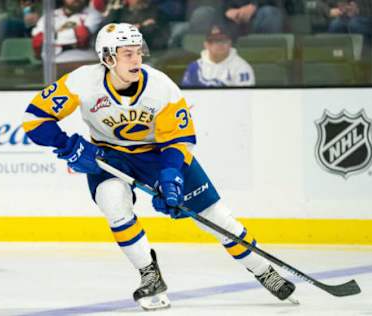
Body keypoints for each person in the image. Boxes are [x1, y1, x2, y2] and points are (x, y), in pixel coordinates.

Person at [22, 22, 295, 311]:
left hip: (158, 155)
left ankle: (264, 270)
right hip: (109, 156)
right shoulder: (81, 82)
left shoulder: (161, 87)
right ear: (107, 58)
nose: (136, 59)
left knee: (216, 217)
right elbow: (34, 120)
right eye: (127, 54)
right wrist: (69, 145)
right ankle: (149, 274)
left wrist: (170, 176)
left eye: (138, 52)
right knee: (114, 204)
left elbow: (178, 141)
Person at [181, 23, 255, 87]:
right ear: (206, 45)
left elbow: (244, 99)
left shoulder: (242, 68)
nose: (220, 45)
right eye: (214, 41)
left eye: (223, 40)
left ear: (230, 43)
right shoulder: (194, 68)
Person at [31, 0, 103, 62]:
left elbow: (82, 36)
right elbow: (37, 40)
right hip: (53, 65)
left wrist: (49, 39)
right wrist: (72, 35)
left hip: (85, 60)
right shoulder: (49, 16)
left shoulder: (94, 14)